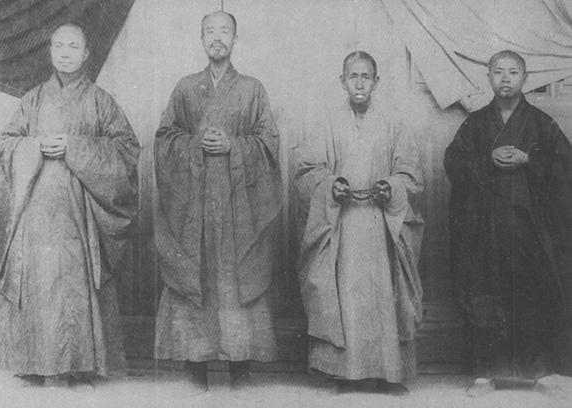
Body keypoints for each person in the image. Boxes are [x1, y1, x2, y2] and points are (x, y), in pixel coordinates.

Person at [0, 23, 140, 387]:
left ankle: (77, 366)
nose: (64, 52)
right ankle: (34, 363)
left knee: (74, 287)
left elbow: (126, 149)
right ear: (50, 52)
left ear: (86, 54)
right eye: (58, 45)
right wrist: (34, 147)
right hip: (37, 213)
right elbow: (6, 142)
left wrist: (75, 148)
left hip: (80, 213)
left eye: (73, 46)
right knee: (39, 284)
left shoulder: (100, 100)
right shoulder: (32, 99)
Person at [153, 10, 282, 391]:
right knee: (196, 273)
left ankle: (241, 364)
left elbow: (268, 142)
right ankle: (194, 365)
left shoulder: (253, 89)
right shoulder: (185, 88)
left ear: (235, 39)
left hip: (238, 206)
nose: (217, 38)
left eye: (224, 31)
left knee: (236, 274)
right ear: (201, 39)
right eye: (210, 31)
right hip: (193, 205)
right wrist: (195, 144)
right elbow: (164, 137)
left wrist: (233, 145)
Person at [295, 51, 424, 396]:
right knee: (345, 296)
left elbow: (411, 175)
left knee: (384, 296)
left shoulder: (393, 124)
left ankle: (388, 374)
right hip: (342, 224)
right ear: (342, 81)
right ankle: (345, 373)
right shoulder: (328, 123)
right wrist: (331, 186)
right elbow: (306, 172)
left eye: (366, 76)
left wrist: (392, 187)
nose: (360, 83)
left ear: (376, 82)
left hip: (382, 225)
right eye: (353, 76)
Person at [445, 50, 572, 398]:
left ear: (525, 78)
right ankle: (485, 374)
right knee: (484, 294)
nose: (505, 78)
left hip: (532, 231)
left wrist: (530, 159)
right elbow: (453, 163)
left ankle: (542, 373)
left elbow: (566, 167)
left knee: (537, 293)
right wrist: (487, 159)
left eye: (513, 72)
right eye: (498, 72)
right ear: (488, 78)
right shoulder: (475, 124)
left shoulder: (542, 123)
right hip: (485, 229)